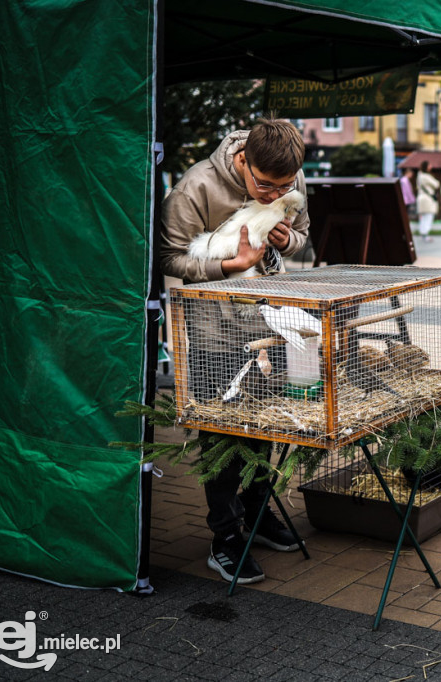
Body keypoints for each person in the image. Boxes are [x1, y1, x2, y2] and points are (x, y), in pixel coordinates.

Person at [161, 118, 309, 584]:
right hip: (213, 331)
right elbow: (167, 257)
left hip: (269, 323)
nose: (273, 194)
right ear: (242, 159)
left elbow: (303, 232)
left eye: (283, 186)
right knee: (221, 434)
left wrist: (290, 239)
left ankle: (260, 515)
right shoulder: (197, 186)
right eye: (264, 185)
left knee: (268, 426)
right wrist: (231, 264)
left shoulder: (288, 178)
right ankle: (224, 538)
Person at [416, 160, 440, 243]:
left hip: (422, 198)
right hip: (427, 199)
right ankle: (425, 234)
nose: (431, 167)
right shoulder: (425, 176)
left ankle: (423, 233)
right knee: (428, 216)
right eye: (429, 165)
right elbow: (436, 184)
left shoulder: (419, 175)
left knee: (423, 217)